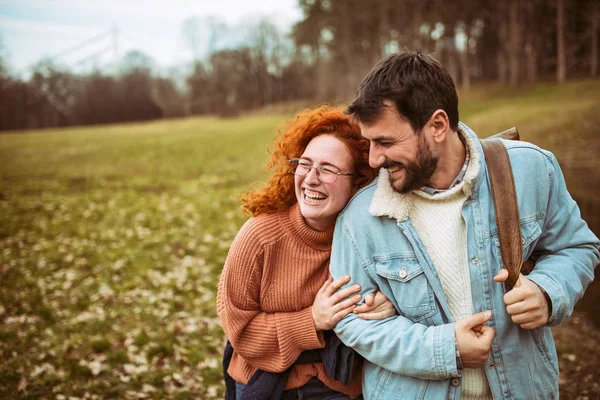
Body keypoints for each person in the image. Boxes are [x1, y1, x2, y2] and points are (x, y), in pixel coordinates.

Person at [329, 51, 600, 399]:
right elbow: (350, 321)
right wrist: (444, 348)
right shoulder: (359, 217)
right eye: (369, 142)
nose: (373, 158)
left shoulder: (532, 169)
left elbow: (576, 247)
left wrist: (548, 291)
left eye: (385, 142)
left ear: (438, 126)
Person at [217, 106, 396, 399]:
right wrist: (311, 320)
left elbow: (410, 297)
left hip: (342, 385)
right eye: (305, 164)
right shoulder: (259, 236)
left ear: (358, 181)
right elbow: (240, 330)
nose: (311, 178)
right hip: (266, 382)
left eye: (327, 169)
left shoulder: (370, 235)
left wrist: (389, 305)